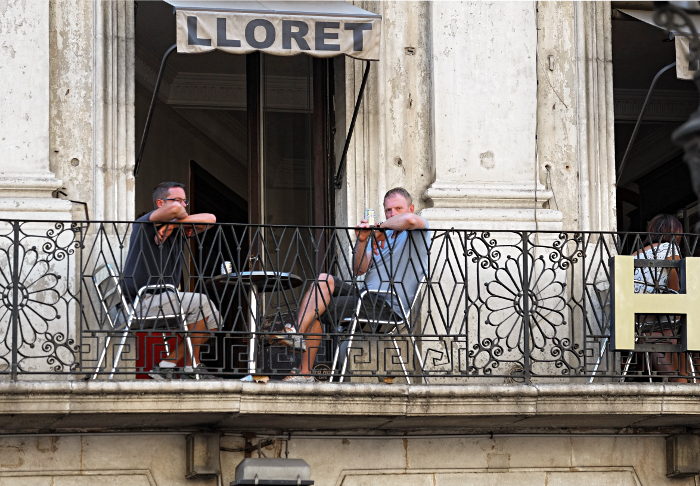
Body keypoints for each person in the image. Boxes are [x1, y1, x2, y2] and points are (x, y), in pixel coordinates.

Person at [278, 187, 431, 383]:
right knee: (324, 280)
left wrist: (380, 228)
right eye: (388, 210)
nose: (393, 214)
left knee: (316, 307)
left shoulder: (417, 230)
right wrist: (362, 239)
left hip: (388, 307)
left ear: (411, 207)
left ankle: (302, 359)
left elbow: (409, 221)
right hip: (366, 298)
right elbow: (359, 268)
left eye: (398, 208)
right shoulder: (379, 238)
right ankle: (298, 343)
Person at [121, 182, 219, 379]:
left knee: (212, 319)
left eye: (185, 201)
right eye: (178, 200)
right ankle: (192, 367)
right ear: (160, 203)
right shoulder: (145, 224)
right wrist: (177, 218)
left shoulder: (177, 230)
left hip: (165, 299)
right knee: (203, 304)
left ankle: (167, 364)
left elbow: (211, 219)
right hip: (142, 302)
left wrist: (173, 224)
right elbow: (175, 210)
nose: (182, 205)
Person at [632, 213, 685, 382]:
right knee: (685, 331)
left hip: (632, 314)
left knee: (655, 338)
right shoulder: (670, 249)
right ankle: (683, 380)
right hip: (655, 312)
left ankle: (682, 380)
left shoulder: (636, 253)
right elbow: (674, 286)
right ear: (676, 233)